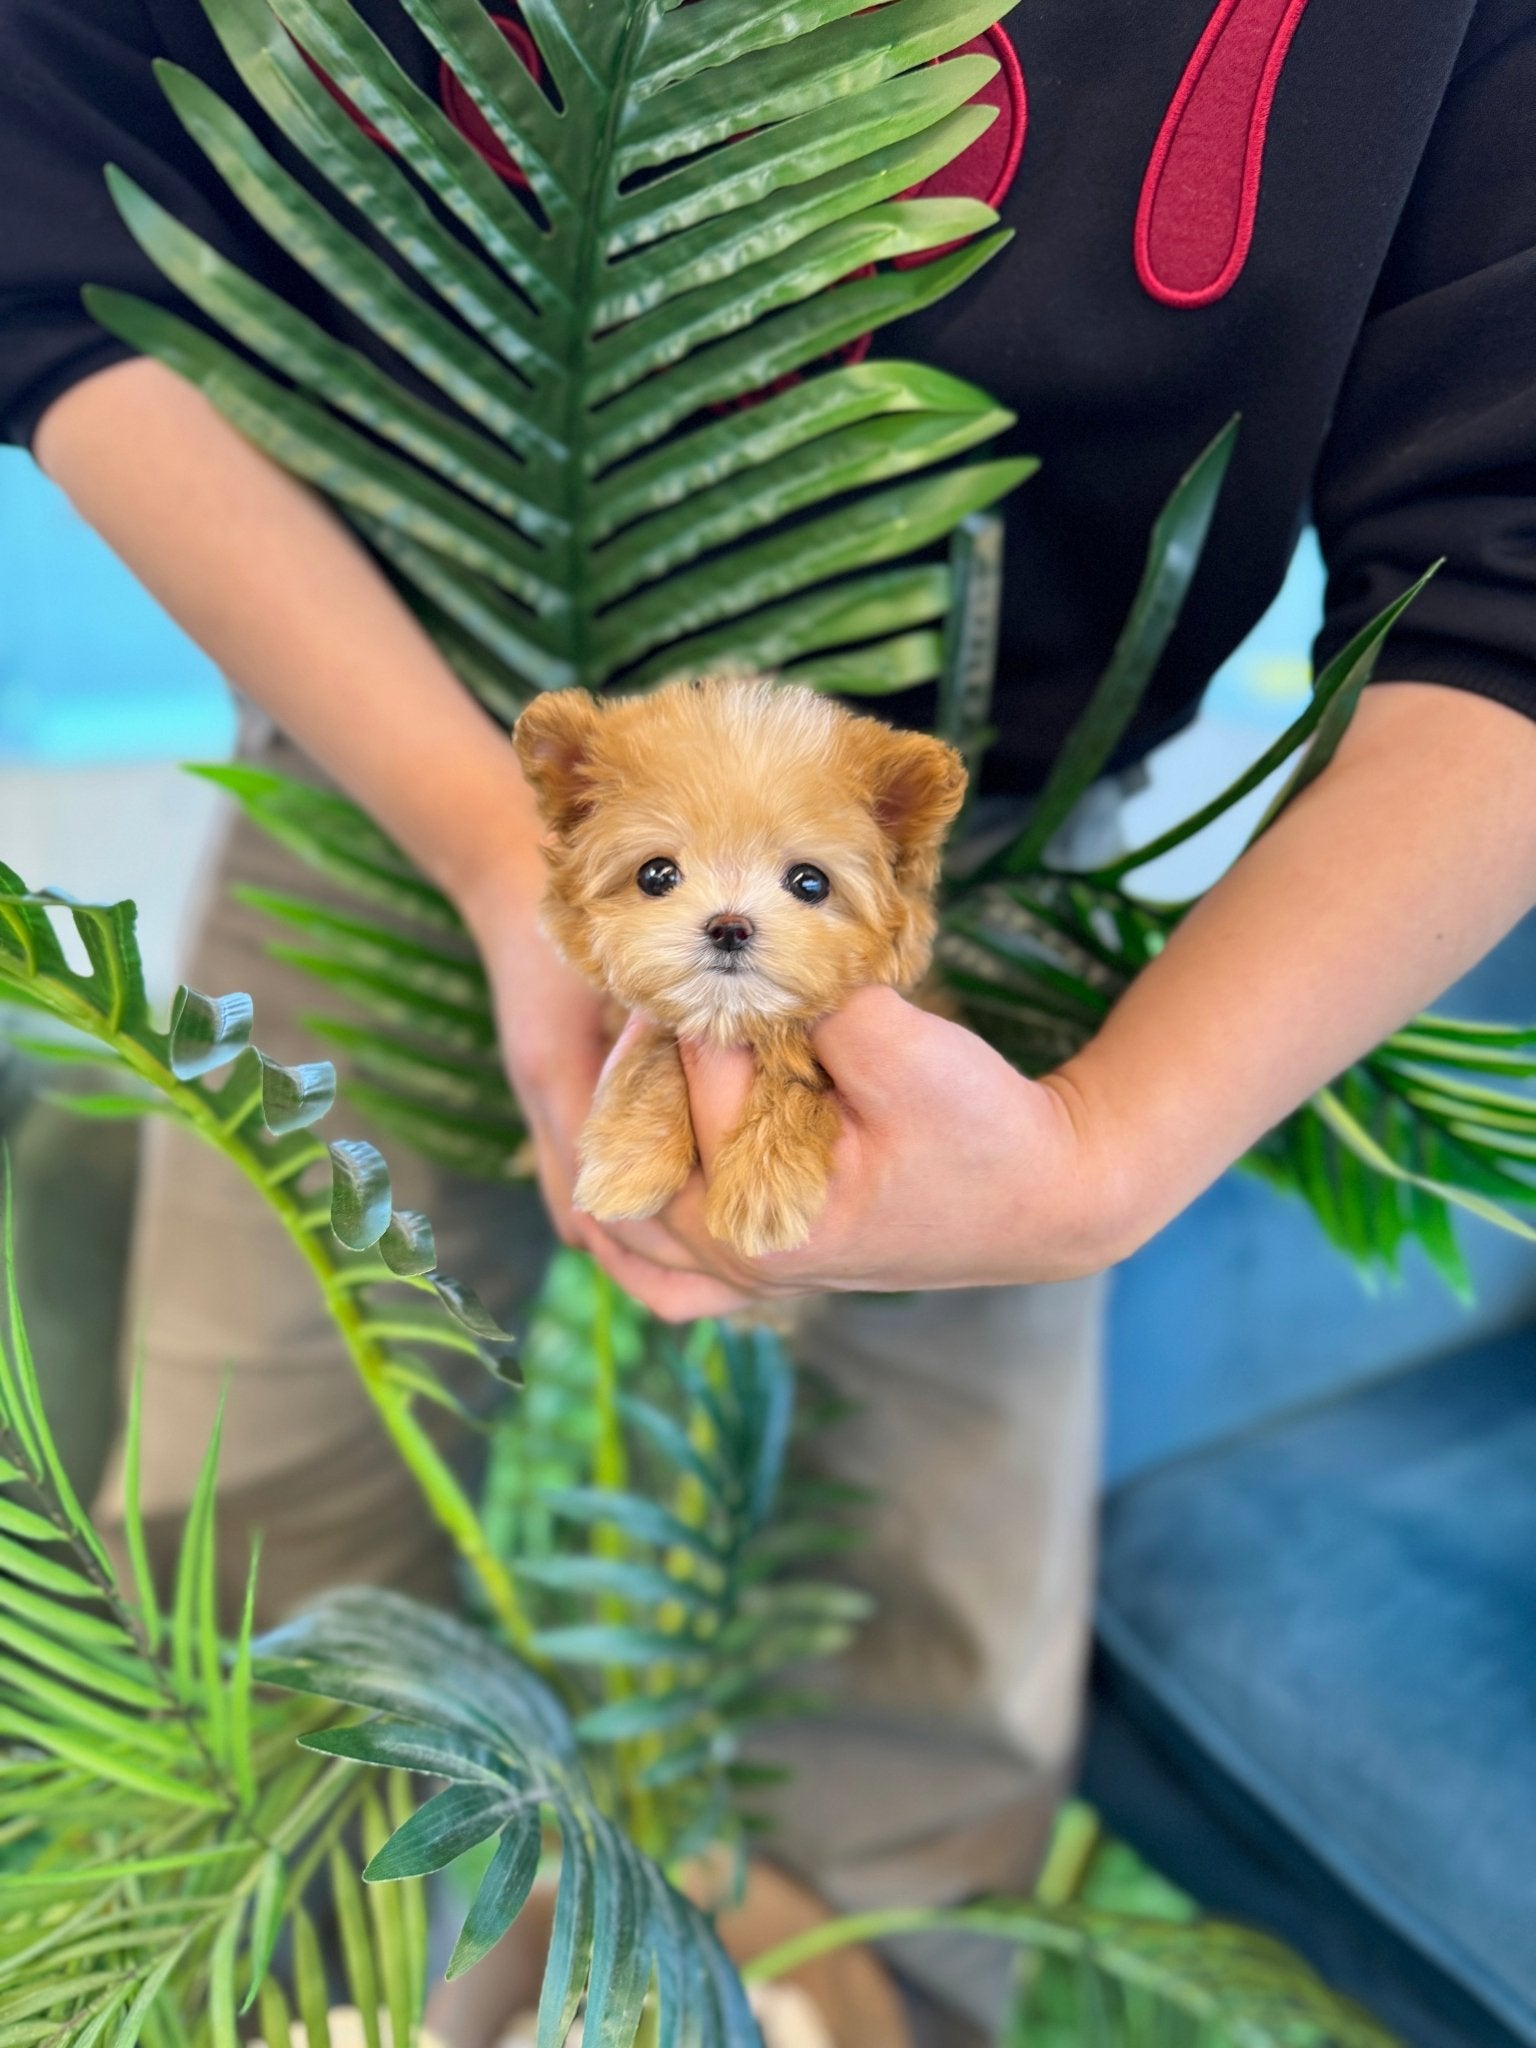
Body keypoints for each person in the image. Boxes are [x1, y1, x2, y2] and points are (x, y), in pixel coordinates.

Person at [5, 1, 1536, 2038]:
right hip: (392, 724)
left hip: (1000, 837)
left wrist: (1103, 1155)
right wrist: (483, 837)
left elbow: (1508, 578)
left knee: (923, 1592)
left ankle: (848, 1991)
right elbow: (50, 194)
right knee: (273, 1458)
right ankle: (298, 1973)